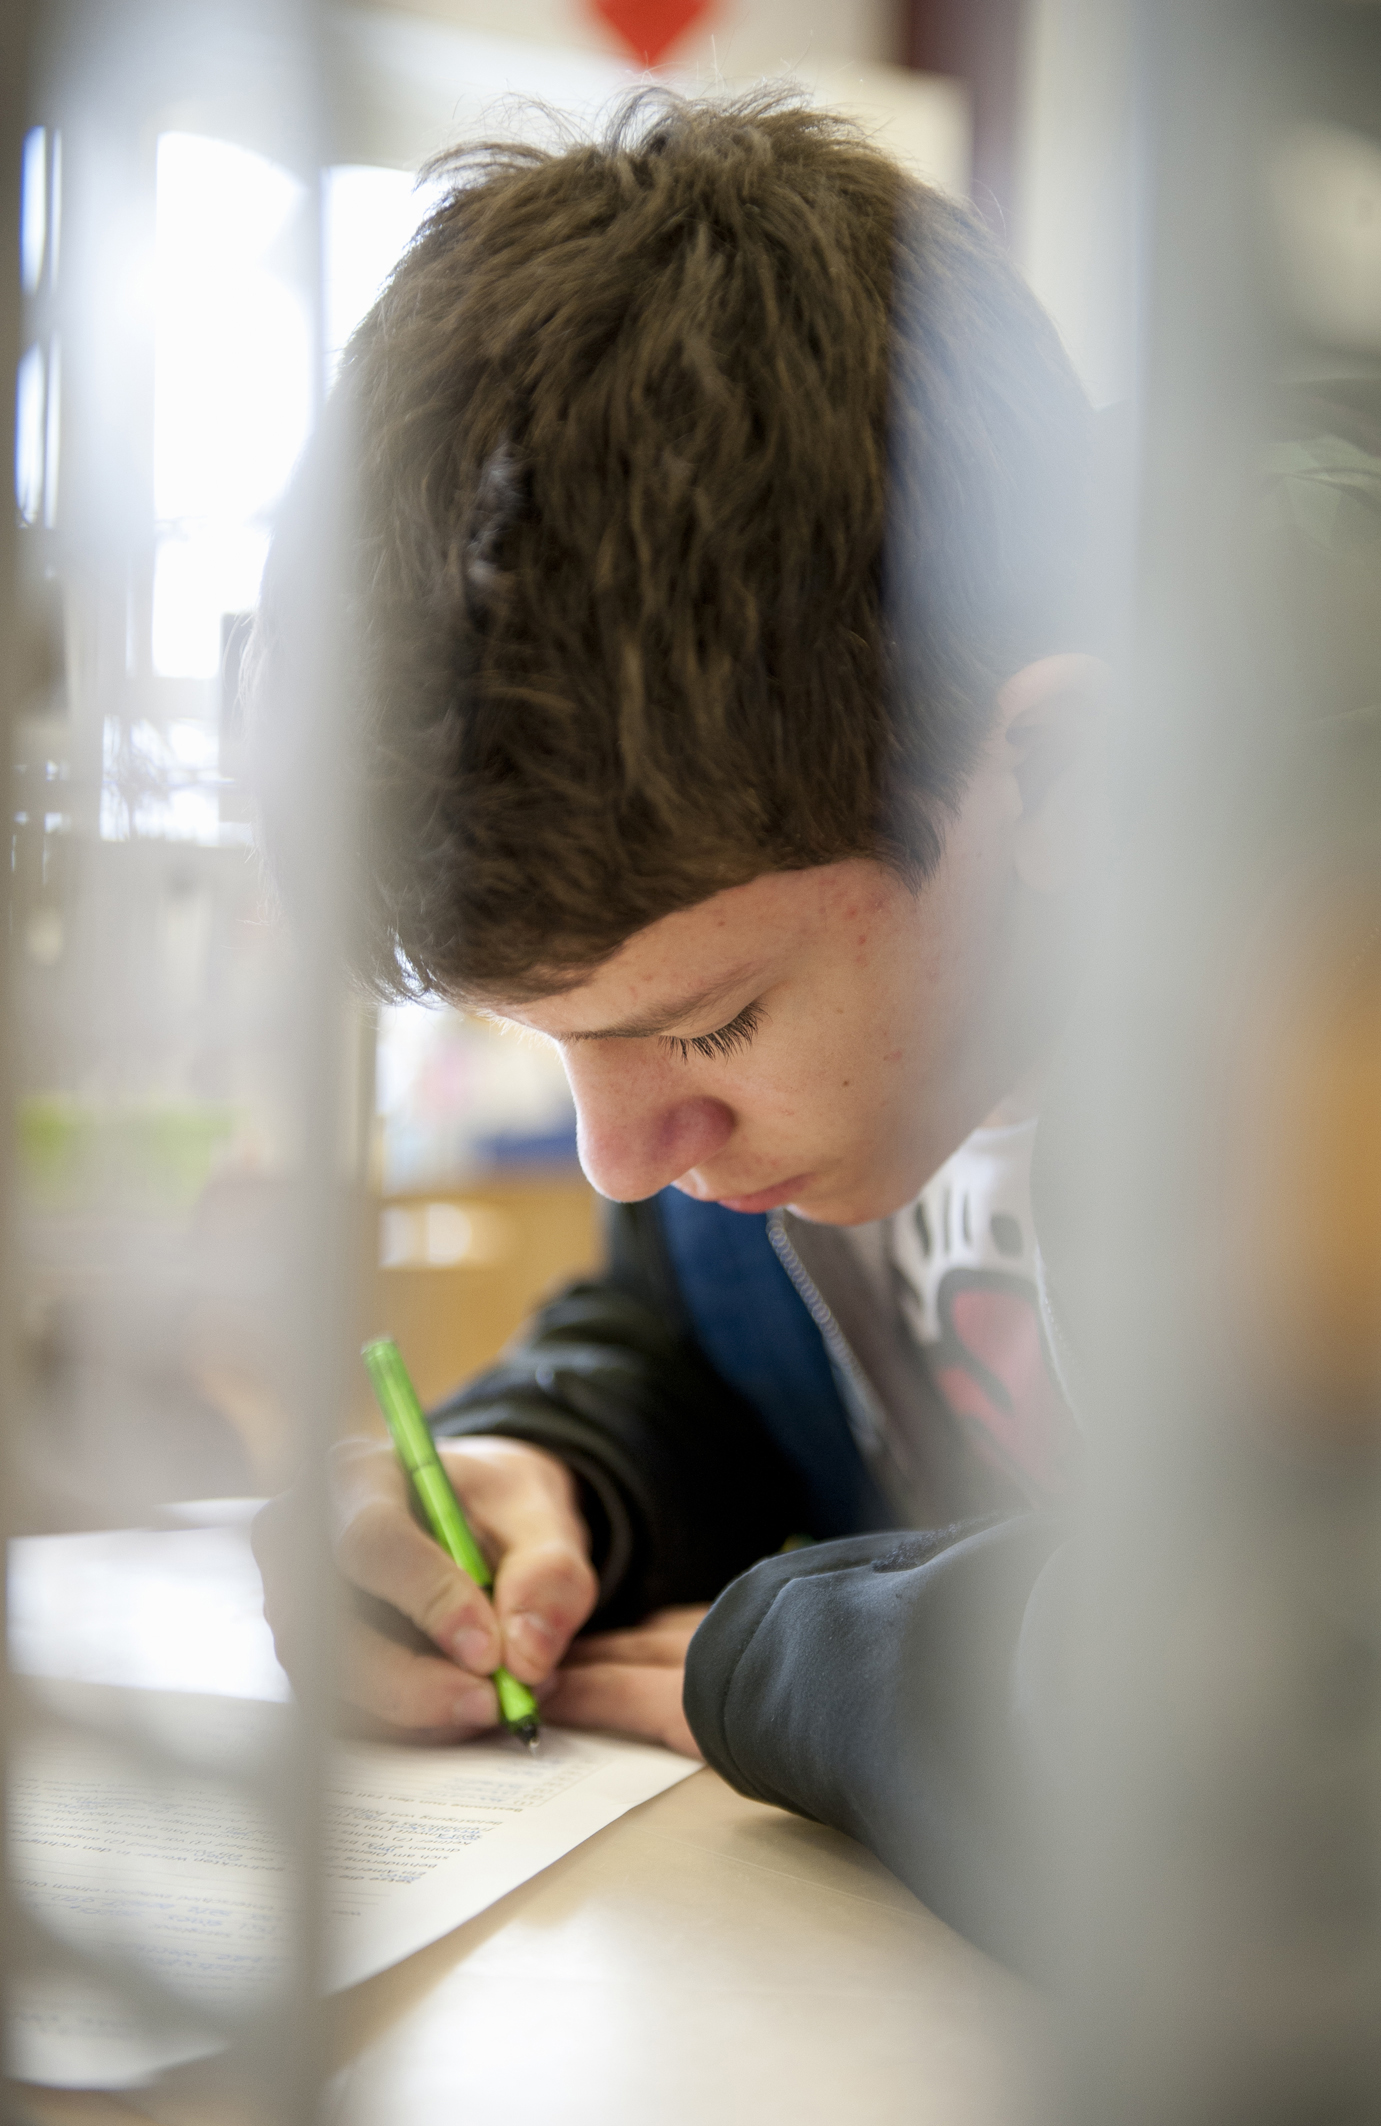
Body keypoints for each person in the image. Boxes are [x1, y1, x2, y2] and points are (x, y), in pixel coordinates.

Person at [248, 88, 1112, 1973]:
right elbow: (698, 1340)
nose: (616, 1152)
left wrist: (785, 1652)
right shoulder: (820, 1050)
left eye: (709, 1024)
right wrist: (553, 1474)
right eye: (559, 1044)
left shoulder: (1332, 1011)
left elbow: (1308, 1667)